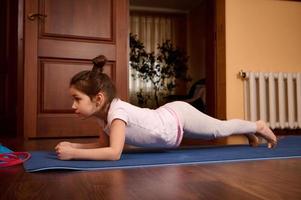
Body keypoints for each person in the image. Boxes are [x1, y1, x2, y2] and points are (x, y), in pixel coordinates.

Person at [55, 55, 277, 161]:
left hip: (178, 118)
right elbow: (101, 146)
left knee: (219, 129)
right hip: (171, 128)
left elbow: (114, 153)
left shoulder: (116, 114)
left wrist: (73, 153)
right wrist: (74, 145)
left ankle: (257, 125)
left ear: (98, 98)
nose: (73, 105)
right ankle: (249, 130)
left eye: (77, 99)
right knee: (220, 129)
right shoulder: (102, 117)